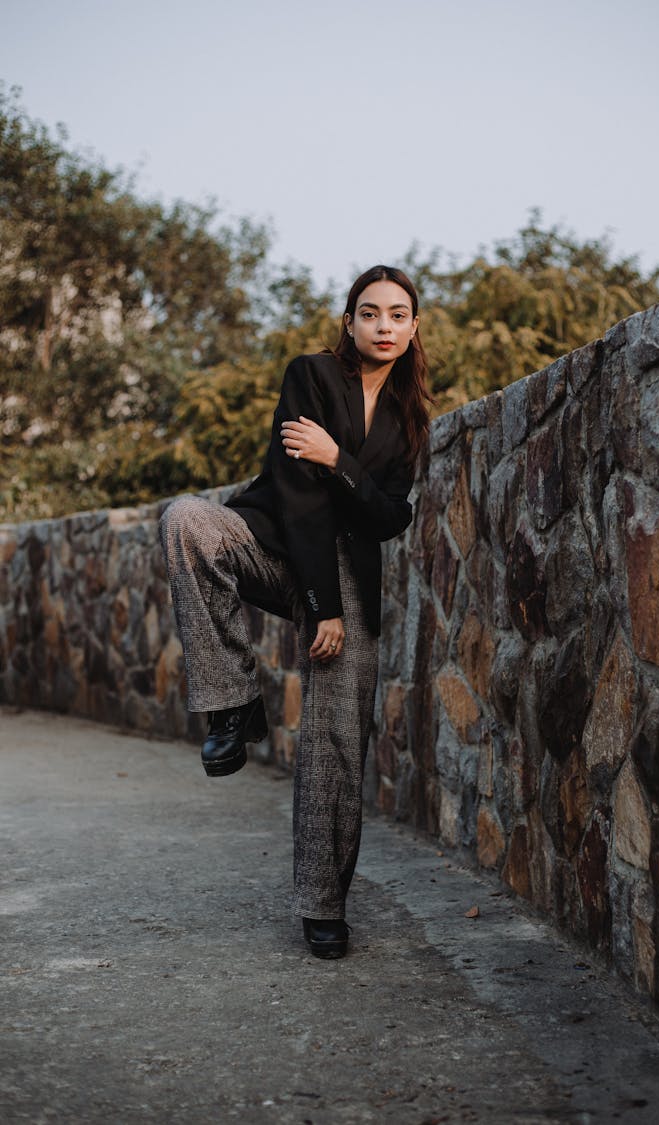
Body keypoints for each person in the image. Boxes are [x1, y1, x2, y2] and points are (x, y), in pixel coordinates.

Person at [159, 265, 432, 959]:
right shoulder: (310, 375)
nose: (384, 326)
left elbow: (389, 514)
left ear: (413, 325)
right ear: (350, 321)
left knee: (336, 740)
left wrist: (339, 456)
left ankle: (323, 905)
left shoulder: (409, 417)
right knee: (186, 519)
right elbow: (300, 493)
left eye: (397, 315)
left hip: (352, 573)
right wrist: (322, 607)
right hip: (280, 545)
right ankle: (232, 704)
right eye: (370, 313)